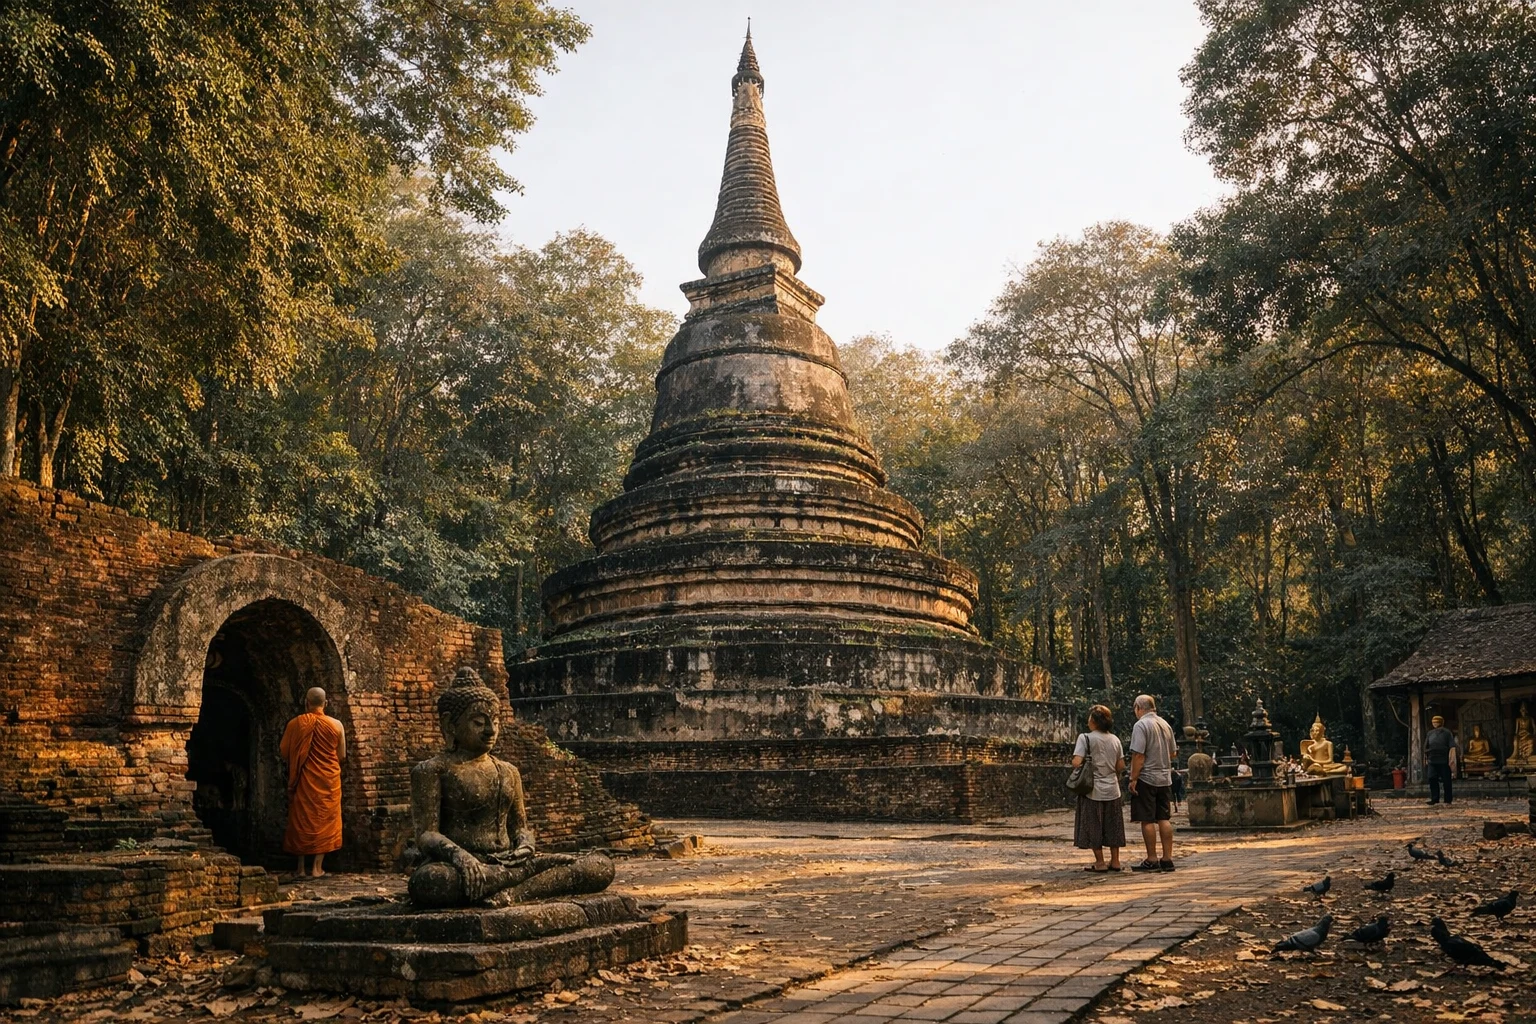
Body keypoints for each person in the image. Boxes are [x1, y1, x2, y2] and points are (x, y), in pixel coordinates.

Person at [279, 686, 346, 877]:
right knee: (324, 819)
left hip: (304, 779)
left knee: (301, 820)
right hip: (328, 780)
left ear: (306, 702)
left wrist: (302, 755)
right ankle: (317, 868)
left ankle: (300, 868)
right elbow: (341, 755)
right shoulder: (336, 725)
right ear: (326, 704)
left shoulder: (295, 724)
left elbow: (284, 752)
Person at [1071, 705, 1127, 873]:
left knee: (1093, 824)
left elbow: (1076, 761)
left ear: (1094, 721)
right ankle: (1115, 861)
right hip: (1112, 788)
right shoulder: (1115, 739)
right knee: (1113, 825)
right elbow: (1121, 765)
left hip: (1092, 789)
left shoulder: (1085, 738)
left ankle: (1100, 862)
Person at [1128, 694, 1177, 872]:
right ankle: (1167, 858)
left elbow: (1138, 755)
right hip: (1165, 778)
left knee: (1147, 819)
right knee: (1163, 818)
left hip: (1147, 777)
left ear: (1138, 708)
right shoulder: (1165, 725)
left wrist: (1133, 778)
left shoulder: (1141, 725)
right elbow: (1173, 753)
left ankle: (1151, 858)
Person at [1424, 714, 1457, 805]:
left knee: (1446, 780)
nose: (1435, 723)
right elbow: (1426, 746)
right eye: (1433, 722)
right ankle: (1434, 798)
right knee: (1432, 778)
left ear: (1441, 723)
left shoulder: (1447, 733)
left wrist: (1452, 759)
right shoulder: (1430, 733)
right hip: (1432, 759)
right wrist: (1426, 758)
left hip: (1443, 760)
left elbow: (1452, 746)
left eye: (1437, 722)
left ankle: (1448, 799)